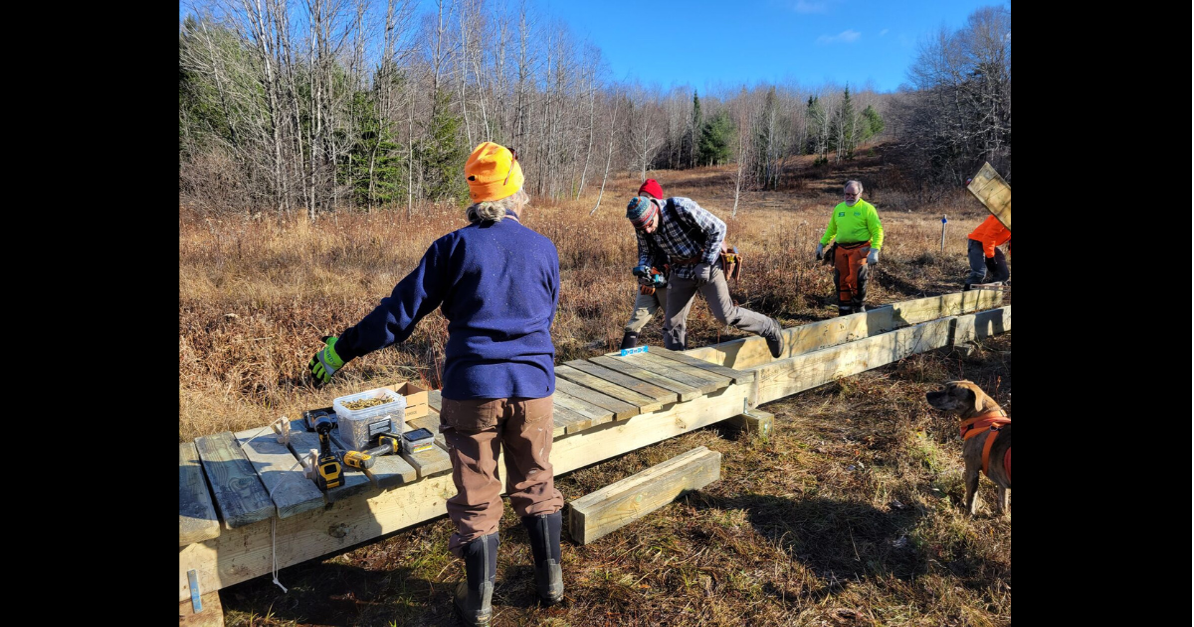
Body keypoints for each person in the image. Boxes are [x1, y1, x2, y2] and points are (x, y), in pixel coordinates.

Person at [307, 142, 564, 626]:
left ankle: (478, 603)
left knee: (477, 495)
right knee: (536, 480)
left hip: (473, 388)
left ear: (474, 196)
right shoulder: (544, 248)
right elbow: (545, 314)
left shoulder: (454, 247)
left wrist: (344, 347)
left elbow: (399, 313)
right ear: (517, 192)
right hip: (535, 387)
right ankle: (551, 584)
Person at [625, 193, 785, 358]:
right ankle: (679, 368)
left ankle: (769, 327)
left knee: (725, 315)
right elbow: (646, 251)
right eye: (642, 228)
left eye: (650, 225)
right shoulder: (643, 226)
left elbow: (719, 228)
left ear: (654, 211)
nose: (648, 230)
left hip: (708, 264)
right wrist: (643, 268)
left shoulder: (680, 207)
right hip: (680, 269)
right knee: (672, 324)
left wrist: (706, 262)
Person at [815, 180, 884, 316]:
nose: (850, 197)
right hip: (841, 250)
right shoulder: (839, 208)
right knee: (841, 280)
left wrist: (875, 250)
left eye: (853, 194)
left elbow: (877, 231)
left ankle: (859, 307)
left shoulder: (867, 209)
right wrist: (821, 245)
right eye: (847, 194)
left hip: (860, 249)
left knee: (858, 279)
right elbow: (832, 229)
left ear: (860, 193)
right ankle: (844, 310)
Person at [620, 179, 669, 349]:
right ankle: (622, 363)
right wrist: (644, 273)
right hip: (650, 276)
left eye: (648, 197)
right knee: (635, 321)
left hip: (668, 279)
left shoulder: (668, 220)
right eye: (641, 196)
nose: (643, 201)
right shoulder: (639, 221)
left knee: (673, 321)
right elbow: (645, 251)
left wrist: (662, 272)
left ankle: (680, 361)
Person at [964, 214, 1010, 290]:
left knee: (1003, 274)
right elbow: (989, 236)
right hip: (977, 241)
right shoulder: (1004, 215)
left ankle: (991, 293)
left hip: (990, 244)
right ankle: (967, 293)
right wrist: (990, 257)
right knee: (979, 273)